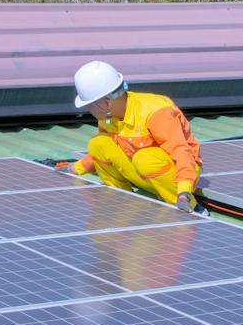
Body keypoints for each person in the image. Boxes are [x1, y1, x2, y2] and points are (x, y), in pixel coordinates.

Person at [67, 60, 203, 212]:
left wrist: (184, 192)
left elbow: (182, 152)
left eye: (90, 106)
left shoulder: (155, 111)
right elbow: (105, 151)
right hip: (143, 173)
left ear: (106, 103)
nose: (88, 110)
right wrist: (77, 168)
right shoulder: (107, 118)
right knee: (98, 143)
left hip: (179, 176)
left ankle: (193, 210)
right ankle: (122, 200)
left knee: (144, 158)